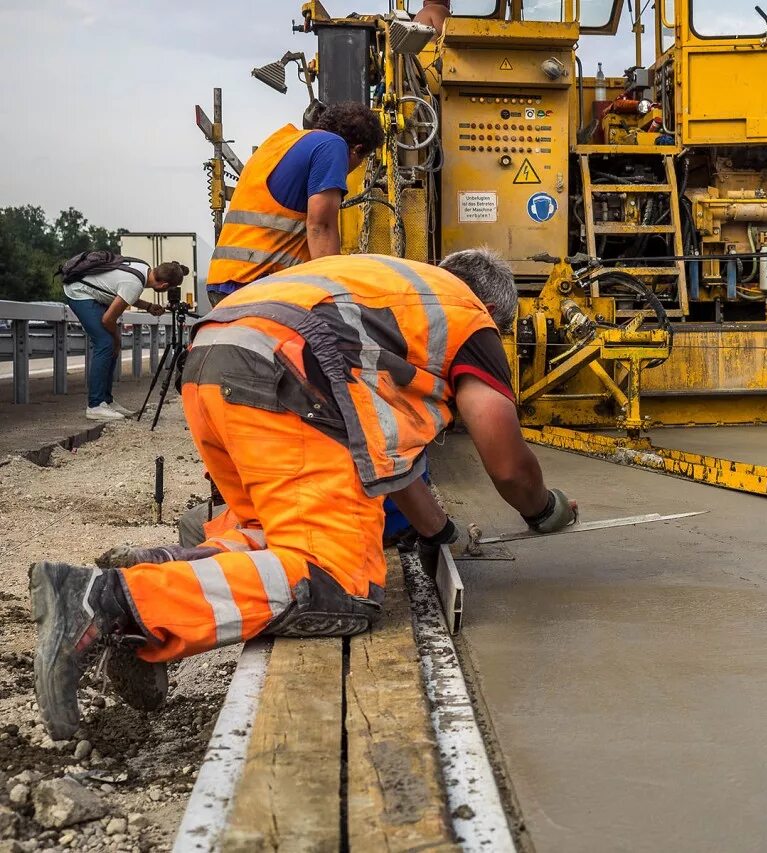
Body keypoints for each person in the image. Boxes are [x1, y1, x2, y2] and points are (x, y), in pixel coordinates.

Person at [29, 250, 577, 739]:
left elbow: (391, 462)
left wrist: (439, 533)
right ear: (493, 310)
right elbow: (505, 461)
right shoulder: (468, 317)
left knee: (273, 537)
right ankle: (111, 599)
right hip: (283, 374)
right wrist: (544, 509)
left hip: (212, 361)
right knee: (341, 585)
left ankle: (158, 579)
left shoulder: (387, 287)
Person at [205, 101, 384, 306]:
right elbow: (321, 227)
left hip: (224, 281)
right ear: (357, 150)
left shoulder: (280, 141)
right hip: (258, 284)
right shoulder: (333, 146)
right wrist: (337, 298)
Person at [63, 259, 187, 421]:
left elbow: (123, 292)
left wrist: (148, 307)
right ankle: (95, 405)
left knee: (110, 343)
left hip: (88, 289)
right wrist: (116, 338)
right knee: (106, 343)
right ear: (164, 286)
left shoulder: (143, 268)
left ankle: (106, 400)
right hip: (79, 291)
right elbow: (108, 320)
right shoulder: (135, 284)